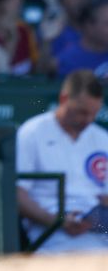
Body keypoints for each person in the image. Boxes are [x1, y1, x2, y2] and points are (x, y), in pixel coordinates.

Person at [17, 69, 108, 253]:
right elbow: (17, 196)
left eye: (94, 113)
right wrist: (57, 220)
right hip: (51, 237)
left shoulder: (102, 137)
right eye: (82, 112)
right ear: (64, 99)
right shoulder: (32, 132)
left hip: (99, 232)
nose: (88, 120)